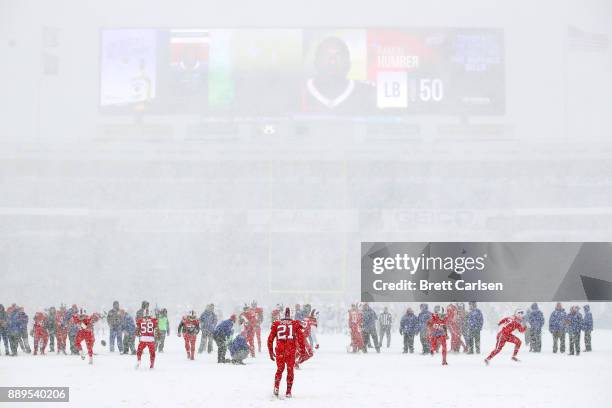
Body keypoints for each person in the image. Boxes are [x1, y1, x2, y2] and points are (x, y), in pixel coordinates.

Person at [268, 307, 306, 399]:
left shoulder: (276, 324)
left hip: (280, 350)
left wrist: (271, 351)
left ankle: (276, 387)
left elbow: (270, 339)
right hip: (290, 350)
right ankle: (288, 391)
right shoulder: (295, 323)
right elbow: (301, 338)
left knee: (280, 369)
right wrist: (302, 350)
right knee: (290, 370)